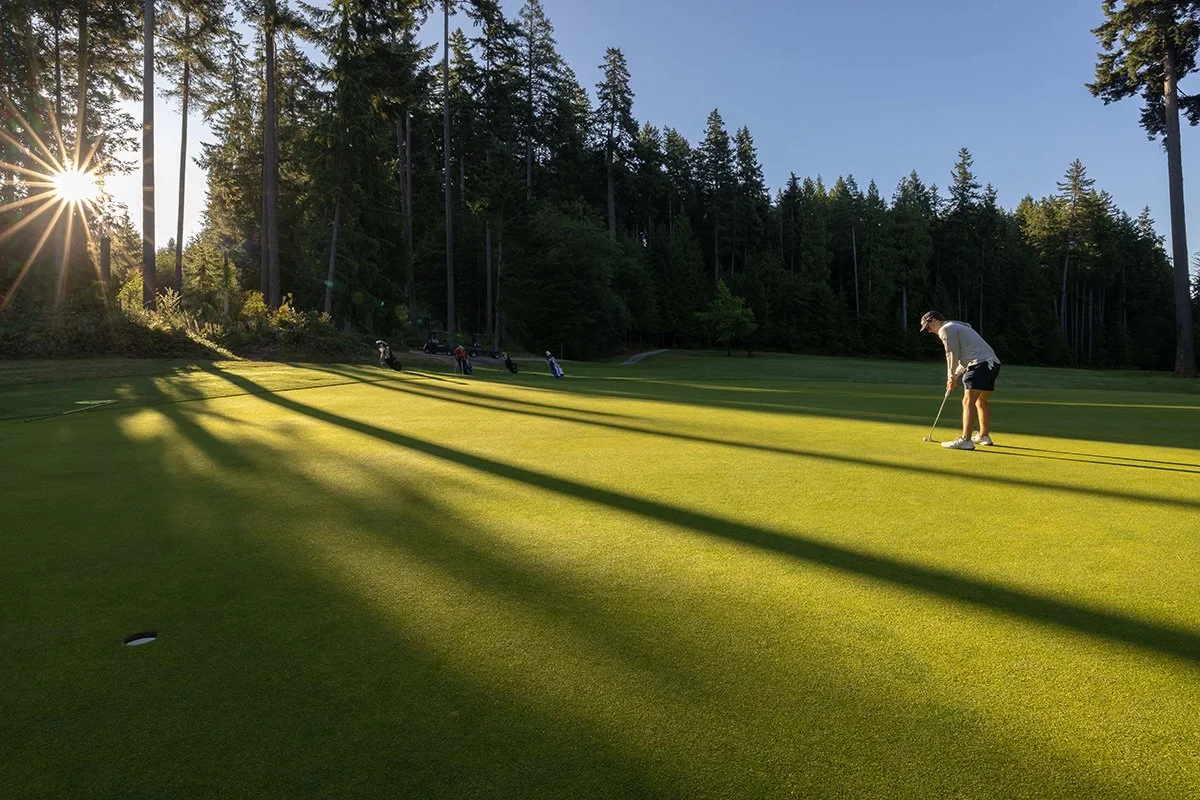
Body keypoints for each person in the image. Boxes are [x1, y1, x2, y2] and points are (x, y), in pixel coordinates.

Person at [919, 311, 1001, 450]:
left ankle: (965, 440)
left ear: (933, 320)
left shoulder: (945, 329)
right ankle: (983, 435)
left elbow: (951, 354)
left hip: (980, 365)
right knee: (980, 401)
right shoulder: (956, 326)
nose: (929, 331)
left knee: (968, 401)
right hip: (992, 365)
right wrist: (955, 376)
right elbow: (965, 358)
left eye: (928, 327)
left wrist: (950, 376)